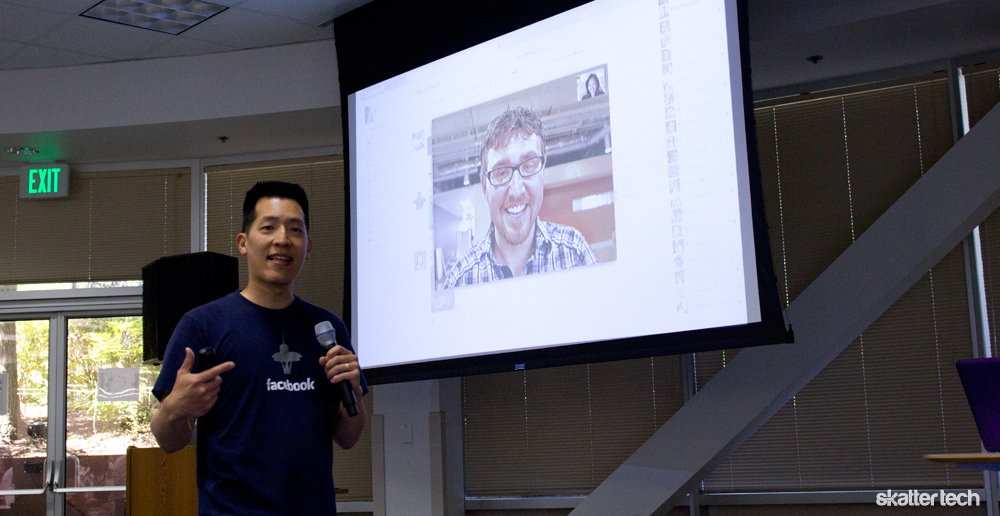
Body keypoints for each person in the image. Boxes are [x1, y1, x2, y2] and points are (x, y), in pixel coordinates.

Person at [150, 181, 367, 516]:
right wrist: (174, 408)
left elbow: (348, 437)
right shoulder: (202, 325)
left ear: (308, 247)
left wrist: (355, 393)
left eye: (295, 229)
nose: (282, 239)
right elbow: (168, 441)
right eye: (268, 227)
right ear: (243, 242)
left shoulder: (327, 328)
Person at [444, 107, 598, 288]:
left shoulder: (575, 253)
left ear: (542, 172)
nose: (516, 191)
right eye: (501, 172)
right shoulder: (460, 280)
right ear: (485, 186)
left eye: (529, 165)